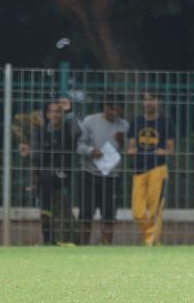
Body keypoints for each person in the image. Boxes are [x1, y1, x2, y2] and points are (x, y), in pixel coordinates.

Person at [20, 98, 80, 245]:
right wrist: (29, 152)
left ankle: (45, 210)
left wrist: (70, 112)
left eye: (59, 112)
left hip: (62, 173)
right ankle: (48, 236)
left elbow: (78, 134)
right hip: (44, 176)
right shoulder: (40, 132)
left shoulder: (67, 129)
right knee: (45, 178)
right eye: (52, 112)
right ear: (47, 114)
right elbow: (35, 156)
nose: (55, 115)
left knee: (45, 179)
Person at [76, 95, 128, 245]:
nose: (114, 114)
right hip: (89, 173)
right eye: (111, 109)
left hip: (112, 175)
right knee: (86, 213)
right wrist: (92, 151)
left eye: (118, 110)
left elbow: (128, 150)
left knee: (109, 215)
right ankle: (83, 245)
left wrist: (122, 142)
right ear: (105, 107)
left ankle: (106, 247)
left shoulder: (124, 125)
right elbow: (79, 146)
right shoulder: (90, 121)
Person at [127, 91, 174, 246]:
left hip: (158, 169)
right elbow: (131, 147)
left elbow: (171, 150)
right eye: (145, 100)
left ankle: (152, 242)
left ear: (158, 101)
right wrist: (131, 151)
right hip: (139, 169)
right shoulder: (136, 122)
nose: (148, 103)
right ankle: (149, 236)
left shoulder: (165, 123)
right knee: (137, 212)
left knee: (155, 210)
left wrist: (164, 151)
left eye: (152, 99)